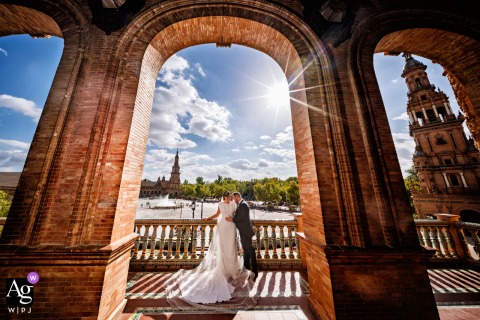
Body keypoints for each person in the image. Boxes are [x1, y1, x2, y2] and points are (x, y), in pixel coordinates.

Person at [165, 191, 256, 309]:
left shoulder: (234, 205)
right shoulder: (220, 204)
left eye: (230, 197)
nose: (228, 199)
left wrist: (234, 219)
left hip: (231, 227)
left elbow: (238, 215)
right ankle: (224, 268)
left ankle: (232, 268)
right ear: (224, 197)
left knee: (232, 248)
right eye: (227, 197)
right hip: (223, 226)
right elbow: (217, 214)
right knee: (223, 248)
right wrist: (208, 218)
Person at [226, 192, 258, 279]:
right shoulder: (242, 204)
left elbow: (241, 217)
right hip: (244, 231)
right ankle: (246, 269)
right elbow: (240, 216)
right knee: (246, 251)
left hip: (246, 232)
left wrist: (231, 219)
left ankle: (255, 271)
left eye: (233, 198)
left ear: (237, 197)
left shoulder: (243, 205)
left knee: (250, 250)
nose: (233, 200)